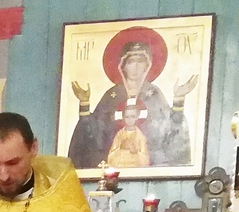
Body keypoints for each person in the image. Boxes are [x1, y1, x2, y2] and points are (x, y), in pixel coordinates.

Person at [68, 34, 198, 172]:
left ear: (147, 65)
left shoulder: (153, 93)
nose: (135, 66)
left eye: (140, 61)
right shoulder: (113, 94)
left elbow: (172, 128)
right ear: (123, 65)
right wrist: (84, 102)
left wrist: (179, 98)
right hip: (112, 163)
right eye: (131, 62)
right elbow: (93, 132)